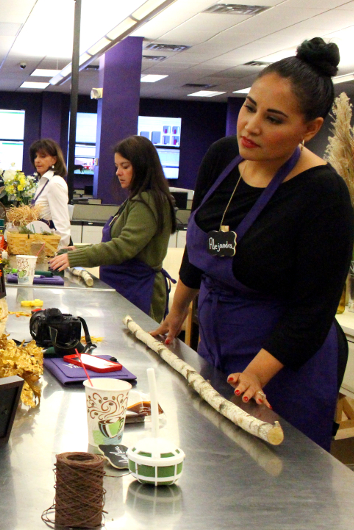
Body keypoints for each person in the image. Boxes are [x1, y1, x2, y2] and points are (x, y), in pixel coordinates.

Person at [153, 37, 354, 450]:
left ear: (310, 129)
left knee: (271, 482)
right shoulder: (223, 157)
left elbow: (312, 311)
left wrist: (257, 374)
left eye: (274, 119)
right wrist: (176, 313)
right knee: (210, 461)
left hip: (283, 366)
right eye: (249, 106)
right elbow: (199, 250)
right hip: (215, 346)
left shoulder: (322, 193)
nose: (251, 126)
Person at [49, 136, 176, 321]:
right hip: (124, 288)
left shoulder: (147, 201)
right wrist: (80, 249)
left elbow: (123, 247)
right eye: (117, 166)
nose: (118, 172)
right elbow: (116, 242)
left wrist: (75, 257)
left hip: (138, 292)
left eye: (125, 166)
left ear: (142, 167)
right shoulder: (136, 199)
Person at [29, 139, 71, 246]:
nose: (37, 160)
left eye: (43, 156)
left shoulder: (55, 183)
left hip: (54, 247)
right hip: (43, 243)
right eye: (36, 156)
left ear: (54, 160)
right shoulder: (44, 182)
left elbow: (62, 223)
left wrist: (60, 251)